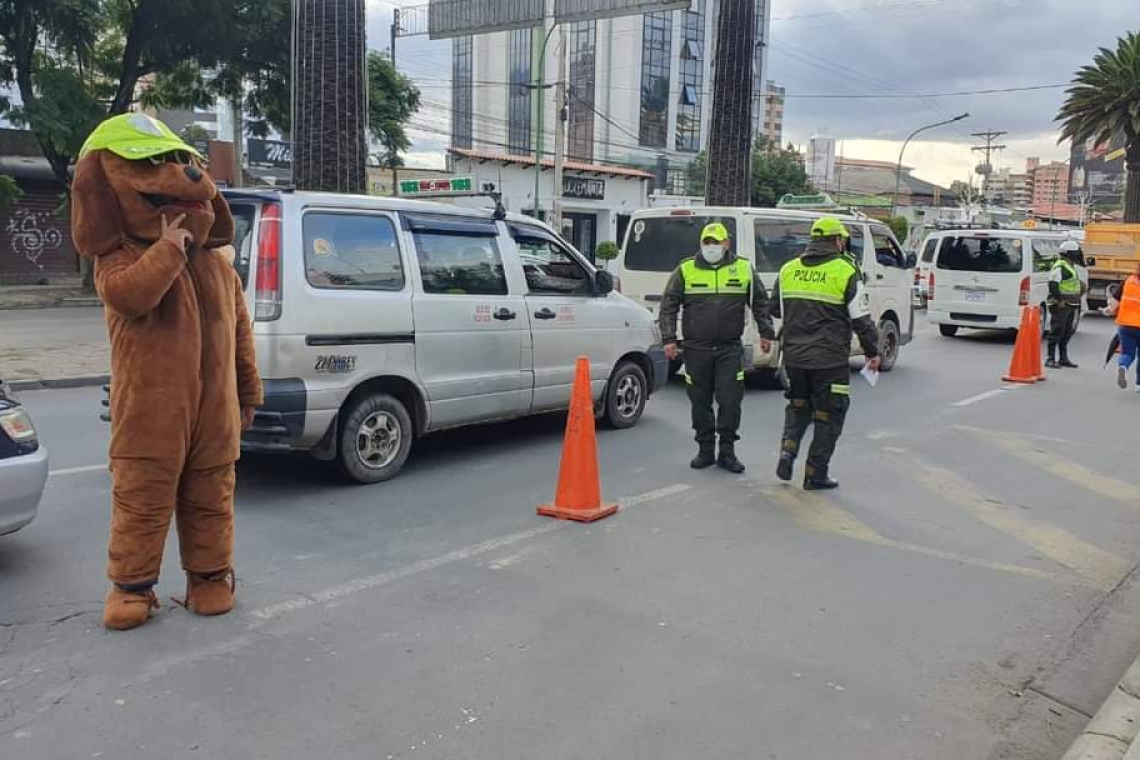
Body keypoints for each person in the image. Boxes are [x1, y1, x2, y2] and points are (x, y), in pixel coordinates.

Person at [70, 113, 262, 631]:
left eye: (183, 163)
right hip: (149, 412)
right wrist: (171, 247)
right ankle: (132, 587)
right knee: (142, 500)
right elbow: (131, 297)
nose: (183, 175)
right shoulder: (119, 257)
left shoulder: (219, 264)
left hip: (215, 411)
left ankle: (210, 579)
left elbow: (240, 333)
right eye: (156, 165)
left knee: (211, 498)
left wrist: (248, 393)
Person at [769, 217, 880, 490]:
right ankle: (815, 474)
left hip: (794, 358)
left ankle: (787, 452)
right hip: (829, 360)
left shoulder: (788, 269)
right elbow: (862, 320)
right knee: (829, 415)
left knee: (798, 406)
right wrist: (872, 352)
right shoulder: (844, 271)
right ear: (838, 240)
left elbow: (775, 309)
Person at [658, 222, 775, 473]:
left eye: (716, 242)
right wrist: (669, 339)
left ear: (726, 244)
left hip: (729, 349)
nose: (711, 247)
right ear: (701, 244)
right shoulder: (685, 269)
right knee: (699, 402)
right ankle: (705, 450)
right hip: (695, 349)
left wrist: (766, 333)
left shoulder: (743, 268)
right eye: (706, 242)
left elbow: (760, 303)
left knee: (730, 401)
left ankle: (727, 452)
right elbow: (669, 305)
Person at [1045, 240, 1086, 368]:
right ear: (1071, 254)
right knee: (1057, 330)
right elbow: (1053, 283)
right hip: (1062, 304)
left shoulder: (1070, 265)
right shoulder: (1061, 266)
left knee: (1067, 331)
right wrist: (1059, 300)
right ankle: (1050, 358)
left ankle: (1063, 358)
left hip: (1071, 304)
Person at [1113, 262, 1140, 391]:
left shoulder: (1129, 280)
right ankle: (1139, 385)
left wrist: (1108, 310)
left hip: (1125, 325)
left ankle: (1123, 366)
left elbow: (1115, 301)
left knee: (1127, 353)